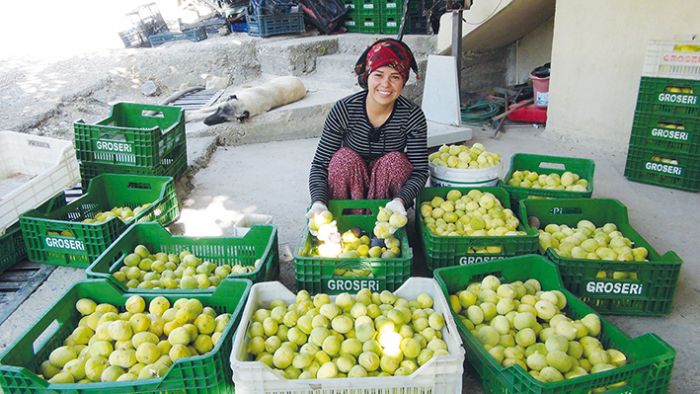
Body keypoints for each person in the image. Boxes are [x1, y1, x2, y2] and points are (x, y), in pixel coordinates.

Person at [307, 38, 429, 220]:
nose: (385, 84)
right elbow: (320, 165)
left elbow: (420, 170)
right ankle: (344, 220)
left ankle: (384, 224)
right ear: (367, 76)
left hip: (387, 195)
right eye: (378, 75)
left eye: (395, 77)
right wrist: (318, 201)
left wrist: (401, 200)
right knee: (343, 159)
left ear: (403, 81)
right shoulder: (345, 109)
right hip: (350, 185)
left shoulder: (412, 116)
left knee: (396, 161)